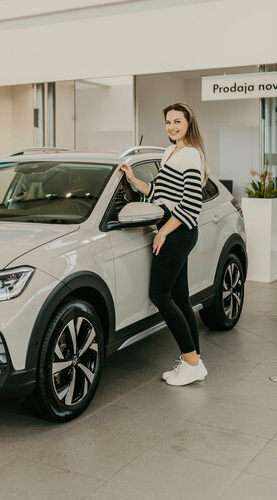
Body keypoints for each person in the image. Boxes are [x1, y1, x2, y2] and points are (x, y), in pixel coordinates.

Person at [118, 102, 209, 386]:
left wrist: (163, 233)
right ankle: (194, 362)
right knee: (180, 298)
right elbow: (159, 192)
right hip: (173, 229)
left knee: (160, 295)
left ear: (189, 123)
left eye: (177, 121)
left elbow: (191, 203)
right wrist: (133, 180)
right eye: (168, 122)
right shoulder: (170, 152)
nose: (172, 127)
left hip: (178, 230)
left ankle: (191, 363)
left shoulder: (191, 154)